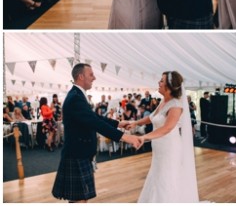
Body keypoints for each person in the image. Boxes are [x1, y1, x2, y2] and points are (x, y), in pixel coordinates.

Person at [52, 64, 141, 202]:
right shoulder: (75, 97)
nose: (94, 78)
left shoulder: (77, 95)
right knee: (80, 200)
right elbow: (95, 123)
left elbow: (94, 117)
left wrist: (117, 123)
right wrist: (126, 137)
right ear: (81, 76)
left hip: (79, 153)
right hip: (77, 154)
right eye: (91, 74)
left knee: (80, 199)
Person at [128, 71, 198, 202]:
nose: (158, 83)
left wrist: (144, 137)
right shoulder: (163, 101)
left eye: (161, 81)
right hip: (159, 147)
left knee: (166, 178)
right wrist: (134, 123)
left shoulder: (176, 105)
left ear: (169, 86)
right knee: (157, 175)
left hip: (169, 147)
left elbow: (167, 128)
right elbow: (151, 117)